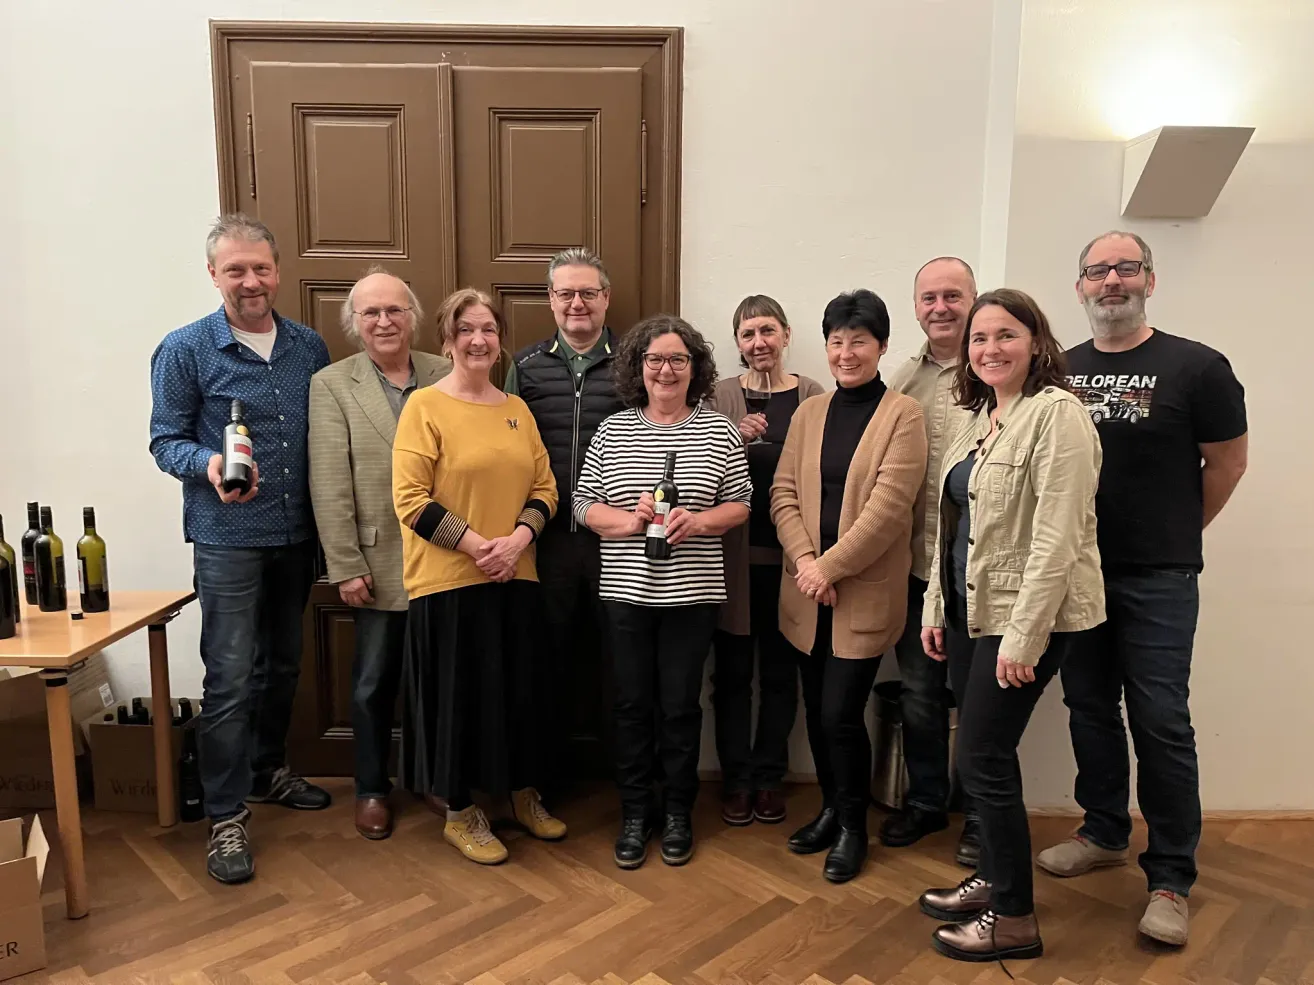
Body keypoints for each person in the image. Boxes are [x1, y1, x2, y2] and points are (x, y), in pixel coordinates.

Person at [1037, 231, 1248, 947]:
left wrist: (1173, 534)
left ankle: (1170, 877)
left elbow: (1227, 464)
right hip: (1078, 572)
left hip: (1159, 576)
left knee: (1161, 719)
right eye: (1097, 271)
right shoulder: (1059, 369)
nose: (1111, 281)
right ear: (1080, 287)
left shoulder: (1198, 367)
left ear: (1150, 281)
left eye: (1126, 268)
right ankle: (1103, 831)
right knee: (1089, 707)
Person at [916, 289, 1104, 963]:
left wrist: (1025, 638)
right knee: (982, 753)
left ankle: (1016, 917)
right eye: (979, 338)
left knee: (982, 757)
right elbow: (949, 526)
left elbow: (1058, 537)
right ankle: (995, 878)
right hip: (971, 609)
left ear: (1036, 341)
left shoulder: (1058, 415)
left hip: (1026, 616)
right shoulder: (979, 417)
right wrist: (936, 606)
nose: (990, 348)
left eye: (1005, 335)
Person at [149, 214, 332, 886]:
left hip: (297, 534)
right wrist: (208, 464)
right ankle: (225, 814)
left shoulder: (309, 346)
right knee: (228, 677)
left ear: (277, 271)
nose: (250, 281)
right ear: (213, 274)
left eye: (260, 268)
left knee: (283, 665)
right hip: (227, 538)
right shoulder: (185, 348)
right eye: (235, 270)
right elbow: (165, 440)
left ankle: (266, 771)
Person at [392, 287, 565, 866]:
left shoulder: (516, 410)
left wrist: (515, 543)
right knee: (457, 702)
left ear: (500, 340)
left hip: (517, 574)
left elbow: (546, 489)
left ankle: (522, 793)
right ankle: (460, 813)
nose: (478, 339)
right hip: (447, 582)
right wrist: (478, 547)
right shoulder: (424, 407)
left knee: (521, 694)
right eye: (465, 329)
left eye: (488, 329)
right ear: (447, 340)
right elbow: (410, 500)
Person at [573, 315, 751, 869]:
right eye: (655, 359)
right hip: (625, 595)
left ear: (694, 368)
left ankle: (677, 812)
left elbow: (742, 504)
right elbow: (582, 505)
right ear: (638, 367)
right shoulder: (613, 430)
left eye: (677, 359)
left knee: (679, 707)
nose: (666, 370)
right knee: (630, 706)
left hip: (692, 598)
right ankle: (634, 812)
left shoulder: (719, 430)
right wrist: (629, 522)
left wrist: (698, 522)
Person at [771, 289, 927, 884]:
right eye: (836, 341)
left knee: (841, 714)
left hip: (859, 592)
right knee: (816, 710)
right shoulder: (809, 412)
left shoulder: (903, 415)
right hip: (807, 592)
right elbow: (783, 492)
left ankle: (854, 827)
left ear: (881, 346)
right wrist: (806, 562)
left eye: (859, 341)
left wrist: (827, 569)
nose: (846, 353)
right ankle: (832, 810)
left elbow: (889, 509)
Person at [308, 267, 452, 840]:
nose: (384, 321)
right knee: (372, 685)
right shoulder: (332, 384)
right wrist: (345, 565)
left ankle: (433, 777)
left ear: (412, 316)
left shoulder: (446, 371)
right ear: (354, 322)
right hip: (376, 563)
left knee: (436, 681)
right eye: (371, 312)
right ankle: (371, 788)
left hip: (448, 557)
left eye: (395, 309)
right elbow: (329, 481)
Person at [504, 247, 623, 793]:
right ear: (551, 300)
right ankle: (543, 785)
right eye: (566, 293)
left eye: (588, 293)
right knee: (545, 663)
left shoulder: (634, 363)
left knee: (620, 664)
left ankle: (625, 789)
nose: (577, 303)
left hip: (615, 543)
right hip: (544, 544)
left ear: (606, 298)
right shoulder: (525, 366)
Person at [708, 295, 825, 827]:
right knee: (732, 677)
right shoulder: (718, 396)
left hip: (792, 564)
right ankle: (736, 779)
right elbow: (697, 466)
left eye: (768, 331)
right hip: (729, 563)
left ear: (786, 334)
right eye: (748, 333)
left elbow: (821, 472)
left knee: (781, 675)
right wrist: (734, 436)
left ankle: (769, 777)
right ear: (737, 341)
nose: (759, 342)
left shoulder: (812, 395)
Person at [885, 257, 981, 865]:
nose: (940, 307)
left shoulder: (1000, 368)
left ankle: (980, 814)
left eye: (952, 295)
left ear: (973, 299)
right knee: (920, 693)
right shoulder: (903, 380)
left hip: (981, 574)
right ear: (916, 306)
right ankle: (924, 802)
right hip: (919, 570)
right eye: (929, 298)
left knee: (979, 698)